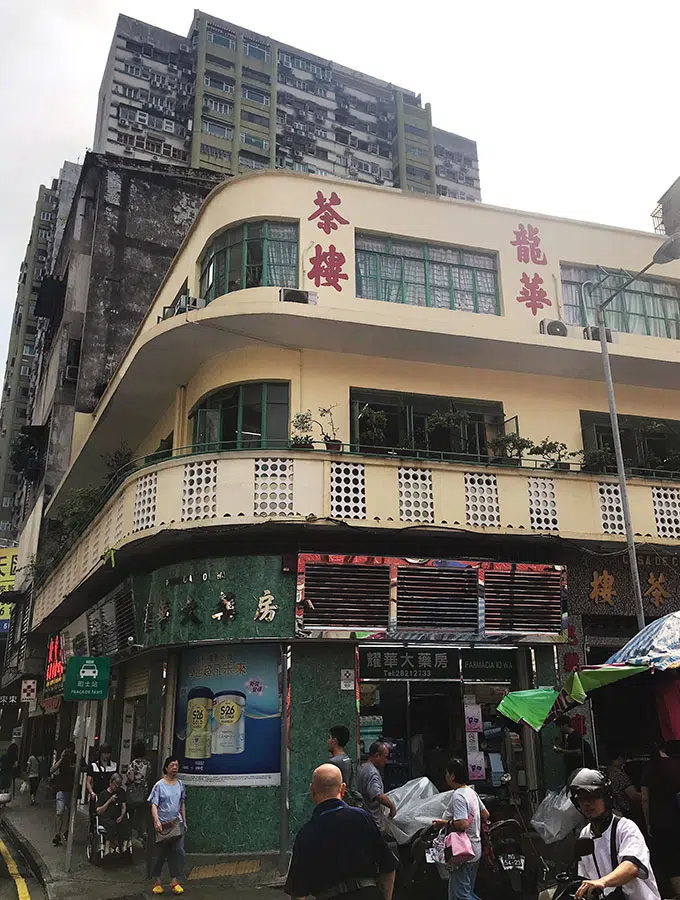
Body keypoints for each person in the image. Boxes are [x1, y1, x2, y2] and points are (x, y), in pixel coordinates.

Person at [285, 764, 397, 900]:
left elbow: (298, 892)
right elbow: (388, 866)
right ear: (343, 789)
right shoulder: (362, 818)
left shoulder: (306, 833)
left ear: (312, 791)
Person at [570, 768, 660, 900]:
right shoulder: (585, 834)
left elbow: (631, 867)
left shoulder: (625, 828)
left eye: (592, 797)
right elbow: (584, 878)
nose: (586, 803)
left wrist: (602, 882)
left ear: (606, 798)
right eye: (581, 799)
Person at [433, 758, 489, 900]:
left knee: (460, 896)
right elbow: (485, 814)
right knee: (463, 892)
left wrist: (444, 823)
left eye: (447, 773)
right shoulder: (471, 792)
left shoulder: (458, 795)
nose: (445, 777)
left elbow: (463, 824)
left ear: (452, 775)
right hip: (474, 849)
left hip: (462, 852)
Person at [641, 740, 680, 898]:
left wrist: (648, 822)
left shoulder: (649, 768)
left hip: (661, 820)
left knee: (671, 860)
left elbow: (645, 799)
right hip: (676, 816)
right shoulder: (673, 765)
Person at [148, 755, 187, 896]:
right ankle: (157, 881)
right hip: (162, 825)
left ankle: (175, 881)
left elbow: (182, 803)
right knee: (159, 854)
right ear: (166, 768)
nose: (175, 767)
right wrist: (156, 821)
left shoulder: (180, 785)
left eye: (177, 765)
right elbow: (154, 804)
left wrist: (184, 821)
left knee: (178, 852)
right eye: (172, 765)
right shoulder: (159, 785)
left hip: (176, 823)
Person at [356, 742, 396, 827]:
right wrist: (392, 807)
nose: (386, 761)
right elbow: (377, 795)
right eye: (385, 757)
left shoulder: (362, 768)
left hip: (363, 819)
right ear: (377, 755)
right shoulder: (372, 772)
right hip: (372, 822)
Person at [96, 773, 131, 855]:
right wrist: (109, 801)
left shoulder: (121, 792)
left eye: (119, 785)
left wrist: (122, 816)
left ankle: (124, 847)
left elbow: (123, 806)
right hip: (106, 818)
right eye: (116, 784)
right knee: (111, 824)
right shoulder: (103, 794)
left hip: (117, 816)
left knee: (126, 822)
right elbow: (99, 811)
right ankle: (108, 847)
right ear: (111, 783)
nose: (117, 787)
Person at [553, 716, 596, 782]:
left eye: (560, 726)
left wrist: (561, 751)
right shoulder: (570, 737)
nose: (560, 729)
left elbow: (578, 752)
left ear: (565, 725)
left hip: (580, 771)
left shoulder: (574, 736)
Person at [50, 742, 76, 847]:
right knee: (59, 812)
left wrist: (74, 766)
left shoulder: (77, 758)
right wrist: (61, 759)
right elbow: (52, 770)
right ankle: (57, 834)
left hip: (72, 790)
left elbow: (85, 768)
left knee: (70, 813)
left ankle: (66, 831)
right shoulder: (62, 759)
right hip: (61, 789)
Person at [606, 745, 642, 820]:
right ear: (619, 758)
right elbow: (633, 795)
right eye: (624, 759)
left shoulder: (607, 772)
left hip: (614, 811)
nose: (625, 762)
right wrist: (647, 796)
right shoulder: (620, 775)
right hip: (624, 811)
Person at [126, 741, 151, 841]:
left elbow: (131, 778)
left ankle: (130, 832)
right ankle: (143, 832)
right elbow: (148, 776)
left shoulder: (133, 763)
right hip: (144, 791)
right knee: (142, 813)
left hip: (133, 791)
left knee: (130, 812)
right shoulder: (148, 764)